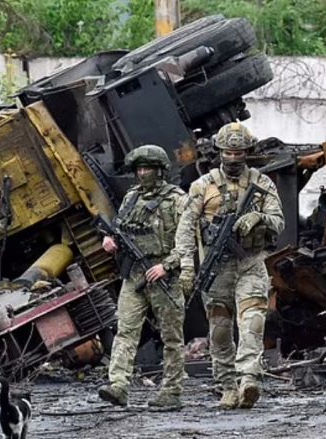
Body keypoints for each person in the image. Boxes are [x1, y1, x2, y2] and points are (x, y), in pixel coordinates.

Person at [175, 122, 285, 409]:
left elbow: (279, 222)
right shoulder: (202, 186)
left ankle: (249, 377)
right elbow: (186, 229)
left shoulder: (262, 184)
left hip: (250, 263)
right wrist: (187, 267)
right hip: (217, 268)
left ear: (247, 152)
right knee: (220, 330)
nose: (234, 158)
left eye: (239, 153)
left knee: (252, 321)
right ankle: (227, 385)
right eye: (228, 152)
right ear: (219, 153)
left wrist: (258, 219)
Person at [98, 144, 186, 410]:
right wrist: (110, 240)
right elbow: (120, 227)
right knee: (125, 330)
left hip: (164, 277)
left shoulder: (177, 200)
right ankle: (118, 385)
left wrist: (167, 266)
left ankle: (171, 391)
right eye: (139, 169)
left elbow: (190, 241)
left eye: (147, 168)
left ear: (160, 170)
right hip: (134, 275)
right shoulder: (131, 198)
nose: (142, 173)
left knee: (171, 336)